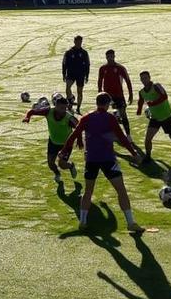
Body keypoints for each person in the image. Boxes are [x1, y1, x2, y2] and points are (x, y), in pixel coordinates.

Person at [58, 92, 146, 233]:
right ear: (107, 104)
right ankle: (130, 223)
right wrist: (134, 154)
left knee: (88, 191)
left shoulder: (86, 118)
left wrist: (63, 152)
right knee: (121, 191)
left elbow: (73, 136)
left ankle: (83, 222)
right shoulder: (110, 118)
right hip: (108, 160)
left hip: (91, 160)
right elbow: (122, 138)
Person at [22, 96, 82, 183]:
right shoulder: (48, 111)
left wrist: (79, 140)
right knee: (50, 164)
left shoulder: (69, 118)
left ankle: (71, 166)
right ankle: (57, 174)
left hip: (66, 144)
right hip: (53, 142)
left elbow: (79, 127)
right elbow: (31, 111)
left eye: (65, 108)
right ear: (56, 106)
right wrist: (27, 117)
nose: (64, 110)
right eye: (61, 108)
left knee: (62, 164)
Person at [135, 71, 171, 162]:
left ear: (149, 77)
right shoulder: (141, 92)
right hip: (155, 118)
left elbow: (164, 96)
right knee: (148, 139)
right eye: (142, 78)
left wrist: (152, 104)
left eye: (145, 78)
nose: (144, 80)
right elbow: (140, 101)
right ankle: (148, 156)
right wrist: (139, 110)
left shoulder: (156, 86)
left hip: (167, 117)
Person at [97, 49, 133, 138]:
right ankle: (102, 133)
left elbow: (128, 81)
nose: (110, 58)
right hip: (107, 95)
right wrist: (99, 92)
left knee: (123, 114)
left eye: (111, 56)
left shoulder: (120, 68)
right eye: (108, 56)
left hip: (118, 95)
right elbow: (100, 80)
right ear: (106, 57)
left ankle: (128, 135)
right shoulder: (102, 68)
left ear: (114, 56)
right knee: (102, 113)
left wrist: (131, 94)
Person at [62, 36, 90, 113]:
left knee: (80, 91)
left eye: (80, 42)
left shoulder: (84, 53)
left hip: (80, 74)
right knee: (68, 88)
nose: (79, 43)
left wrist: (87, 76)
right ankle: (70, 100)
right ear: (74, 41)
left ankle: (78, 108)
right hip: (71, 73)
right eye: (77, 42)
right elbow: (64, 63)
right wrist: (64, 74)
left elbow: (87, 65)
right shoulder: (69, 52)